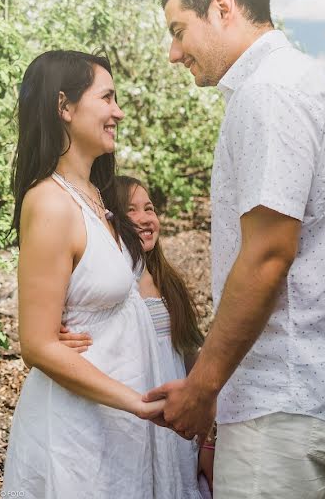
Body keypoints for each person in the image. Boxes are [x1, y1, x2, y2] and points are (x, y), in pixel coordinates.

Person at [141, 0, 325, 499]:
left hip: (285, 398)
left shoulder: (269, 91)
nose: (174, 52)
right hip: (297, 396)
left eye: (180, 31)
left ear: (222, 7)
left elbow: (269, 254)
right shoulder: (292, 80)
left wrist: (202, 390)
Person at [2, 50, 202, 498]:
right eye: (107, 97)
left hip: (121, 426)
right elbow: (36, 343)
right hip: (81, 431)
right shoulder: (50, 202)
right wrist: (138, 403)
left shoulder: (98, 195)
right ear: (65, 107)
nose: (119, 111)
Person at [58, 175, 214, 492]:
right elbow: (49, 342)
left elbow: (187, 356)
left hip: (170, 423)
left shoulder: (166, 280)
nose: (145, 219)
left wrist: (207, 434)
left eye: (149, 208)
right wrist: (58, 340)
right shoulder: (102, 288)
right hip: (122, 416)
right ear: (110, 219)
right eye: (132, 210)